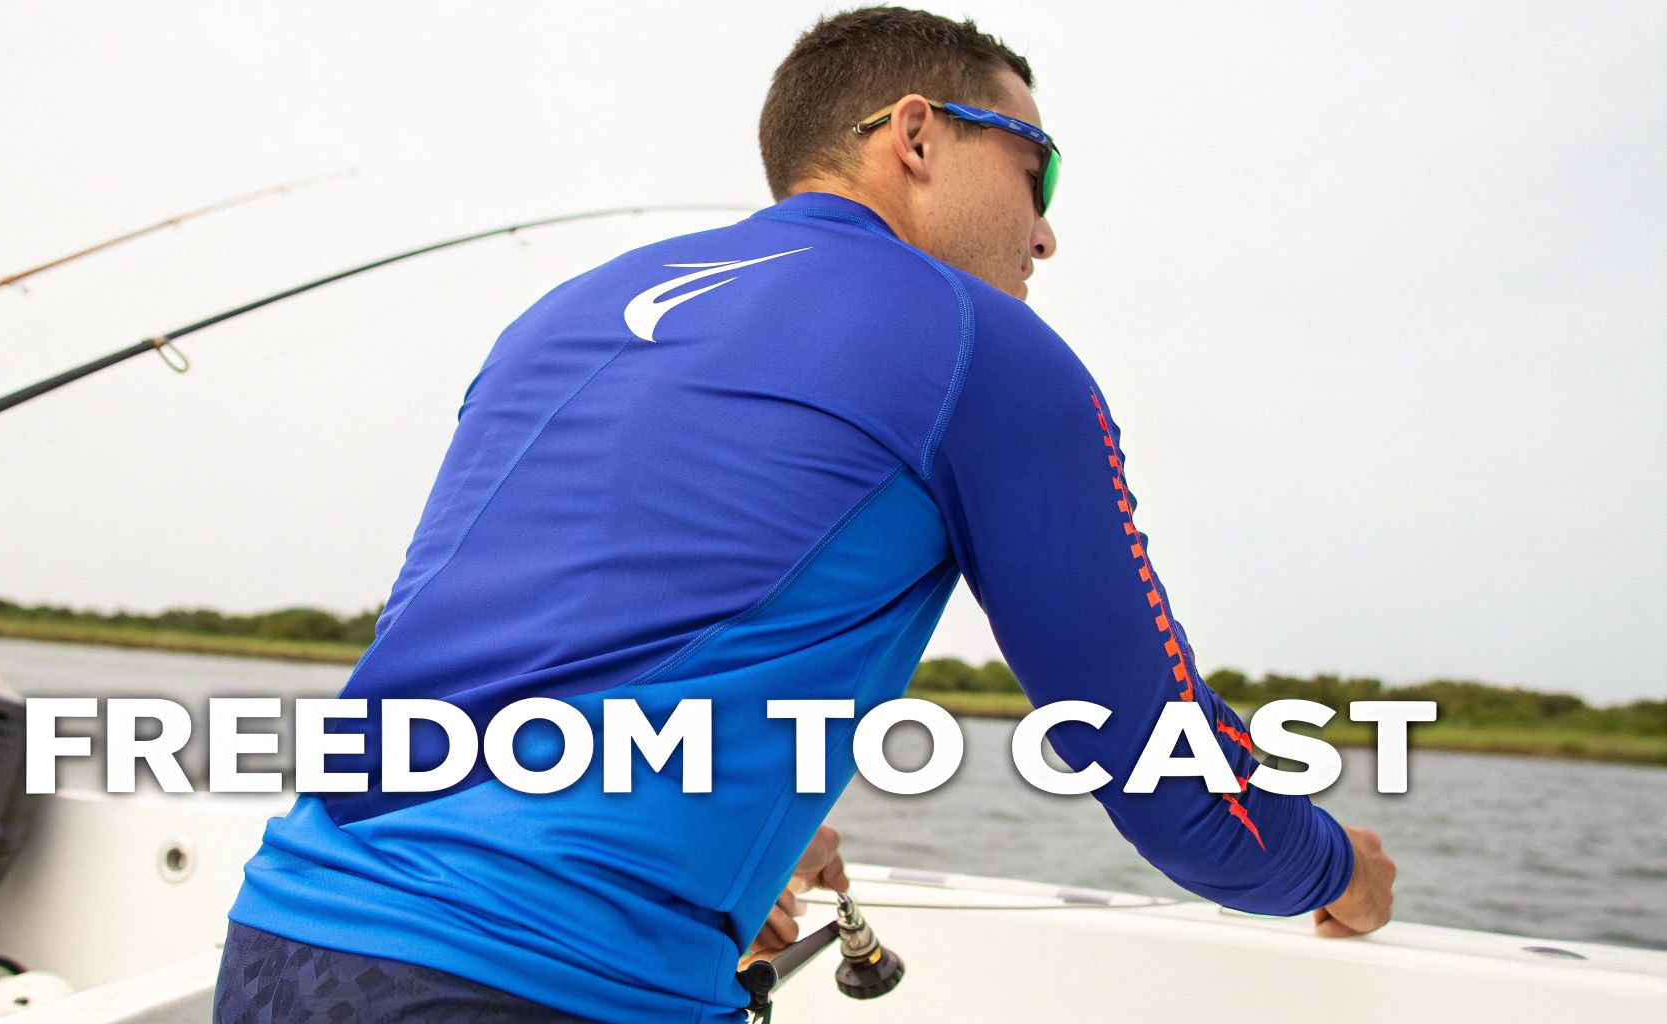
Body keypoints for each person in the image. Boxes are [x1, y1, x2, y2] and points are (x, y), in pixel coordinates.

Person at [215, 7, 1396, 1022]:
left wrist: (741, 815)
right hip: (539, 987)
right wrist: (1334, 867)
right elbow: (1175, 781)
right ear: (916, 135)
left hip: (279, 944)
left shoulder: (562, 314)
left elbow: (507, 654)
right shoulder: (983, 346)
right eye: (1034, 170)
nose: (1044, 228)